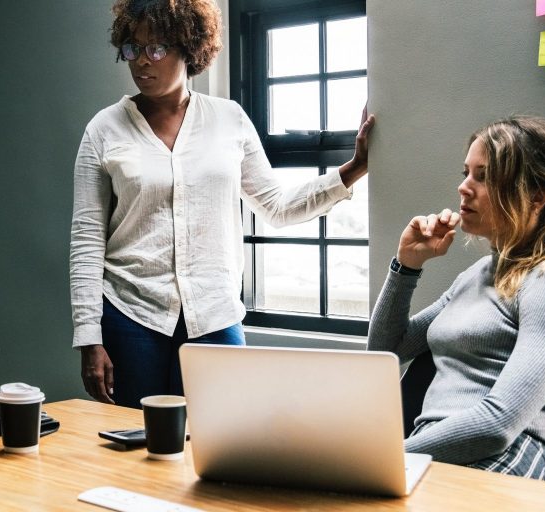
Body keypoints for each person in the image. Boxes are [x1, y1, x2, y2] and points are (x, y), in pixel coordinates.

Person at [71, 0, 375, 408]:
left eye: (156, 48)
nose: (142, 61)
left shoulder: (228, 119)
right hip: (131, 314)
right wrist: (89, 337)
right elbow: (87, 240)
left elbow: (277, 205)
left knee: (222, 437)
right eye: (132, 48)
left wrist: (352, 170)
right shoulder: (104, 129)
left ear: (188, 46)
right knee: (138, 448)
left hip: (214, 312)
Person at [368, 116, 545, 478]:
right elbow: (386, 350)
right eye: (466, 172)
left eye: (484, 176)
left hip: (498, 458)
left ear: (538, 195)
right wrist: (406, 266)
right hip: (430, 448)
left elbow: (497, 425)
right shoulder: (476, 276)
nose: (464, 187)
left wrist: (383, 455)